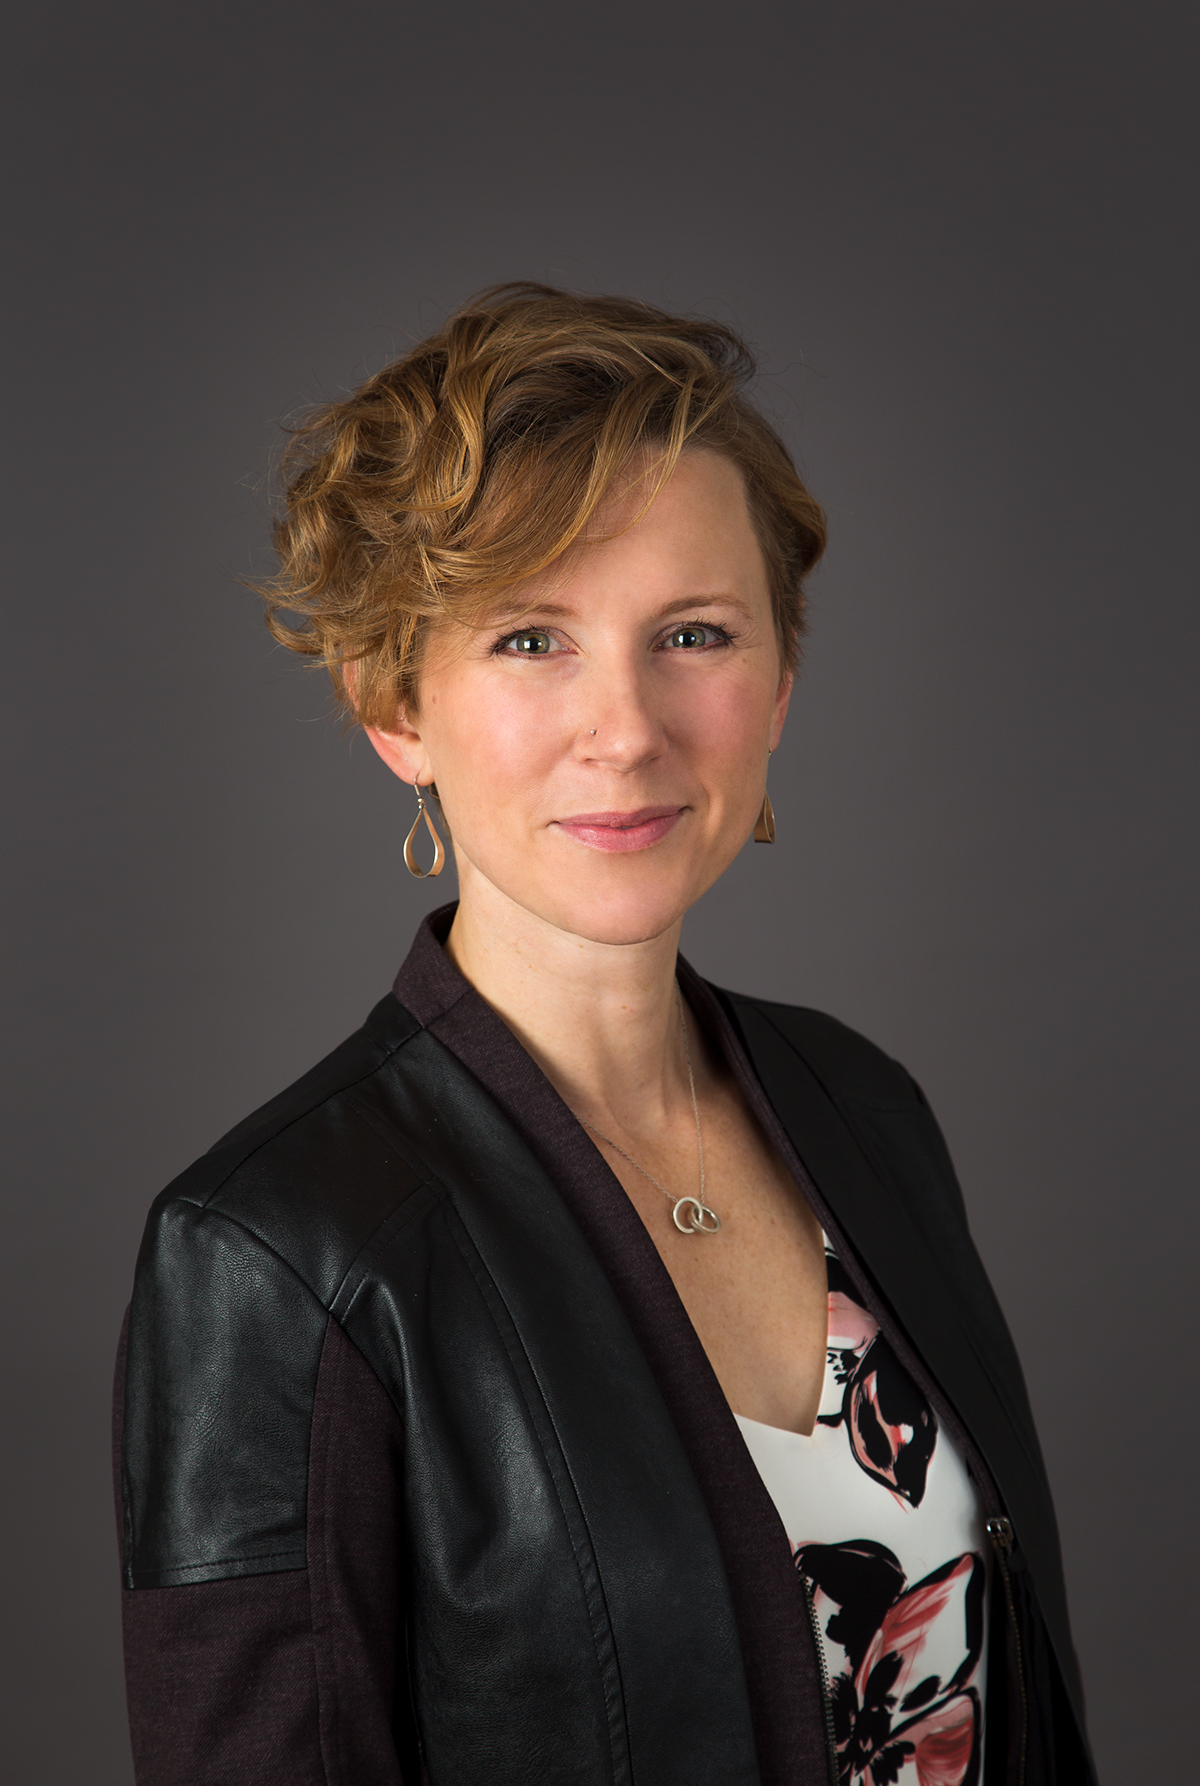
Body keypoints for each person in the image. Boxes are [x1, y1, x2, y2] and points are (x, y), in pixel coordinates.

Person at [115, 284, 1095, 1786]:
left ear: (778, 681)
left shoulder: (864, 1107)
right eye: (529, 639)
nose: (626, 725)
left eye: (692, 632)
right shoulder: (272, 1254)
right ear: (396, 706)